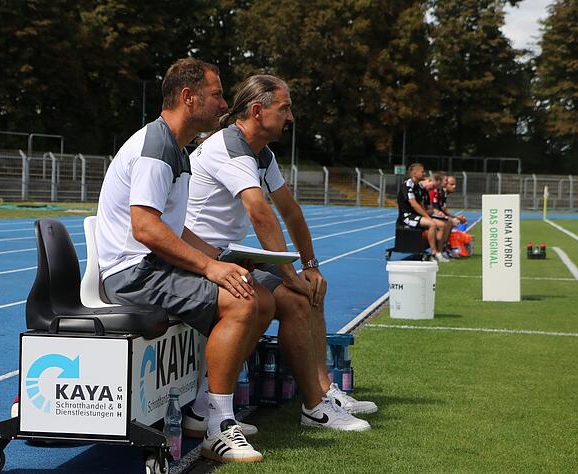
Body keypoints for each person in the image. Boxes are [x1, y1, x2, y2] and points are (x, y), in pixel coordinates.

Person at [95, 58, 273, 463]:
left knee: (258, 295)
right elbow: (146, 229)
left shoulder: (177, 148)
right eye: (216, 95)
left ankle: (200, 411)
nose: (224, 104)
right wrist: (211, 268)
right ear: (188, 97)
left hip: (150, 264)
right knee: (242, 300)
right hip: (133, 272)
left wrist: (222, 258)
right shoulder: (156, 148)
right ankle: (218, 429)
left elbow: (172, 229)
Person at [183, 75, 375, 435]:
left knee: (309, 292)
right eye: (285, 108)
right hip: (198, 258)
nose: (291, 117)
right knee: (291, 294)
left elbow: (290, 211)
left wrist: (310, 267)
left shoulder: (261, 153)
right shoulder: (230, 147)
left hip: (228, 258)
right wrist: (291, 276)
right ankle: (212, 404)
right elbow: (260, 213)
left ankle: (321, 396)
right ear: (257, 111)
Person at [397, 163, 448, 262]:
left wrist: (433, 213)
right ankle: (433, 253)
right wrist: (427, 216)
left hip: (417, 216)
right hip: (407, 216)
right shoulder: (407, 185)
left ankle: (439, 252)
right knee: (432, 224)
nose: (424, 173)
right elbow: (414, 204)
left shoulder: (419, 187)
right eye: (422, 171)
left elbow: (425, 205)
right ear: (414, 173)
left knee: (442, 225)